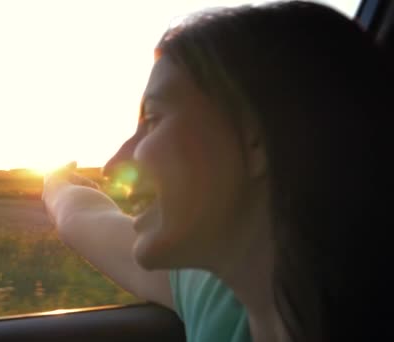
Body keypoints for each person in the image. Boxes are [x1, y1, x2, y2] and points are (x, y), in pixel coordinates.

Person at [42, 1, 390, 342]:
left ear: (258, 140)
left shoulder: (217, 297)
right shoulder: (220, 281)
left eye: (153, 119)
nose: (113, 165)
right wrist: (57, 186)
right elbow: (85, 219)